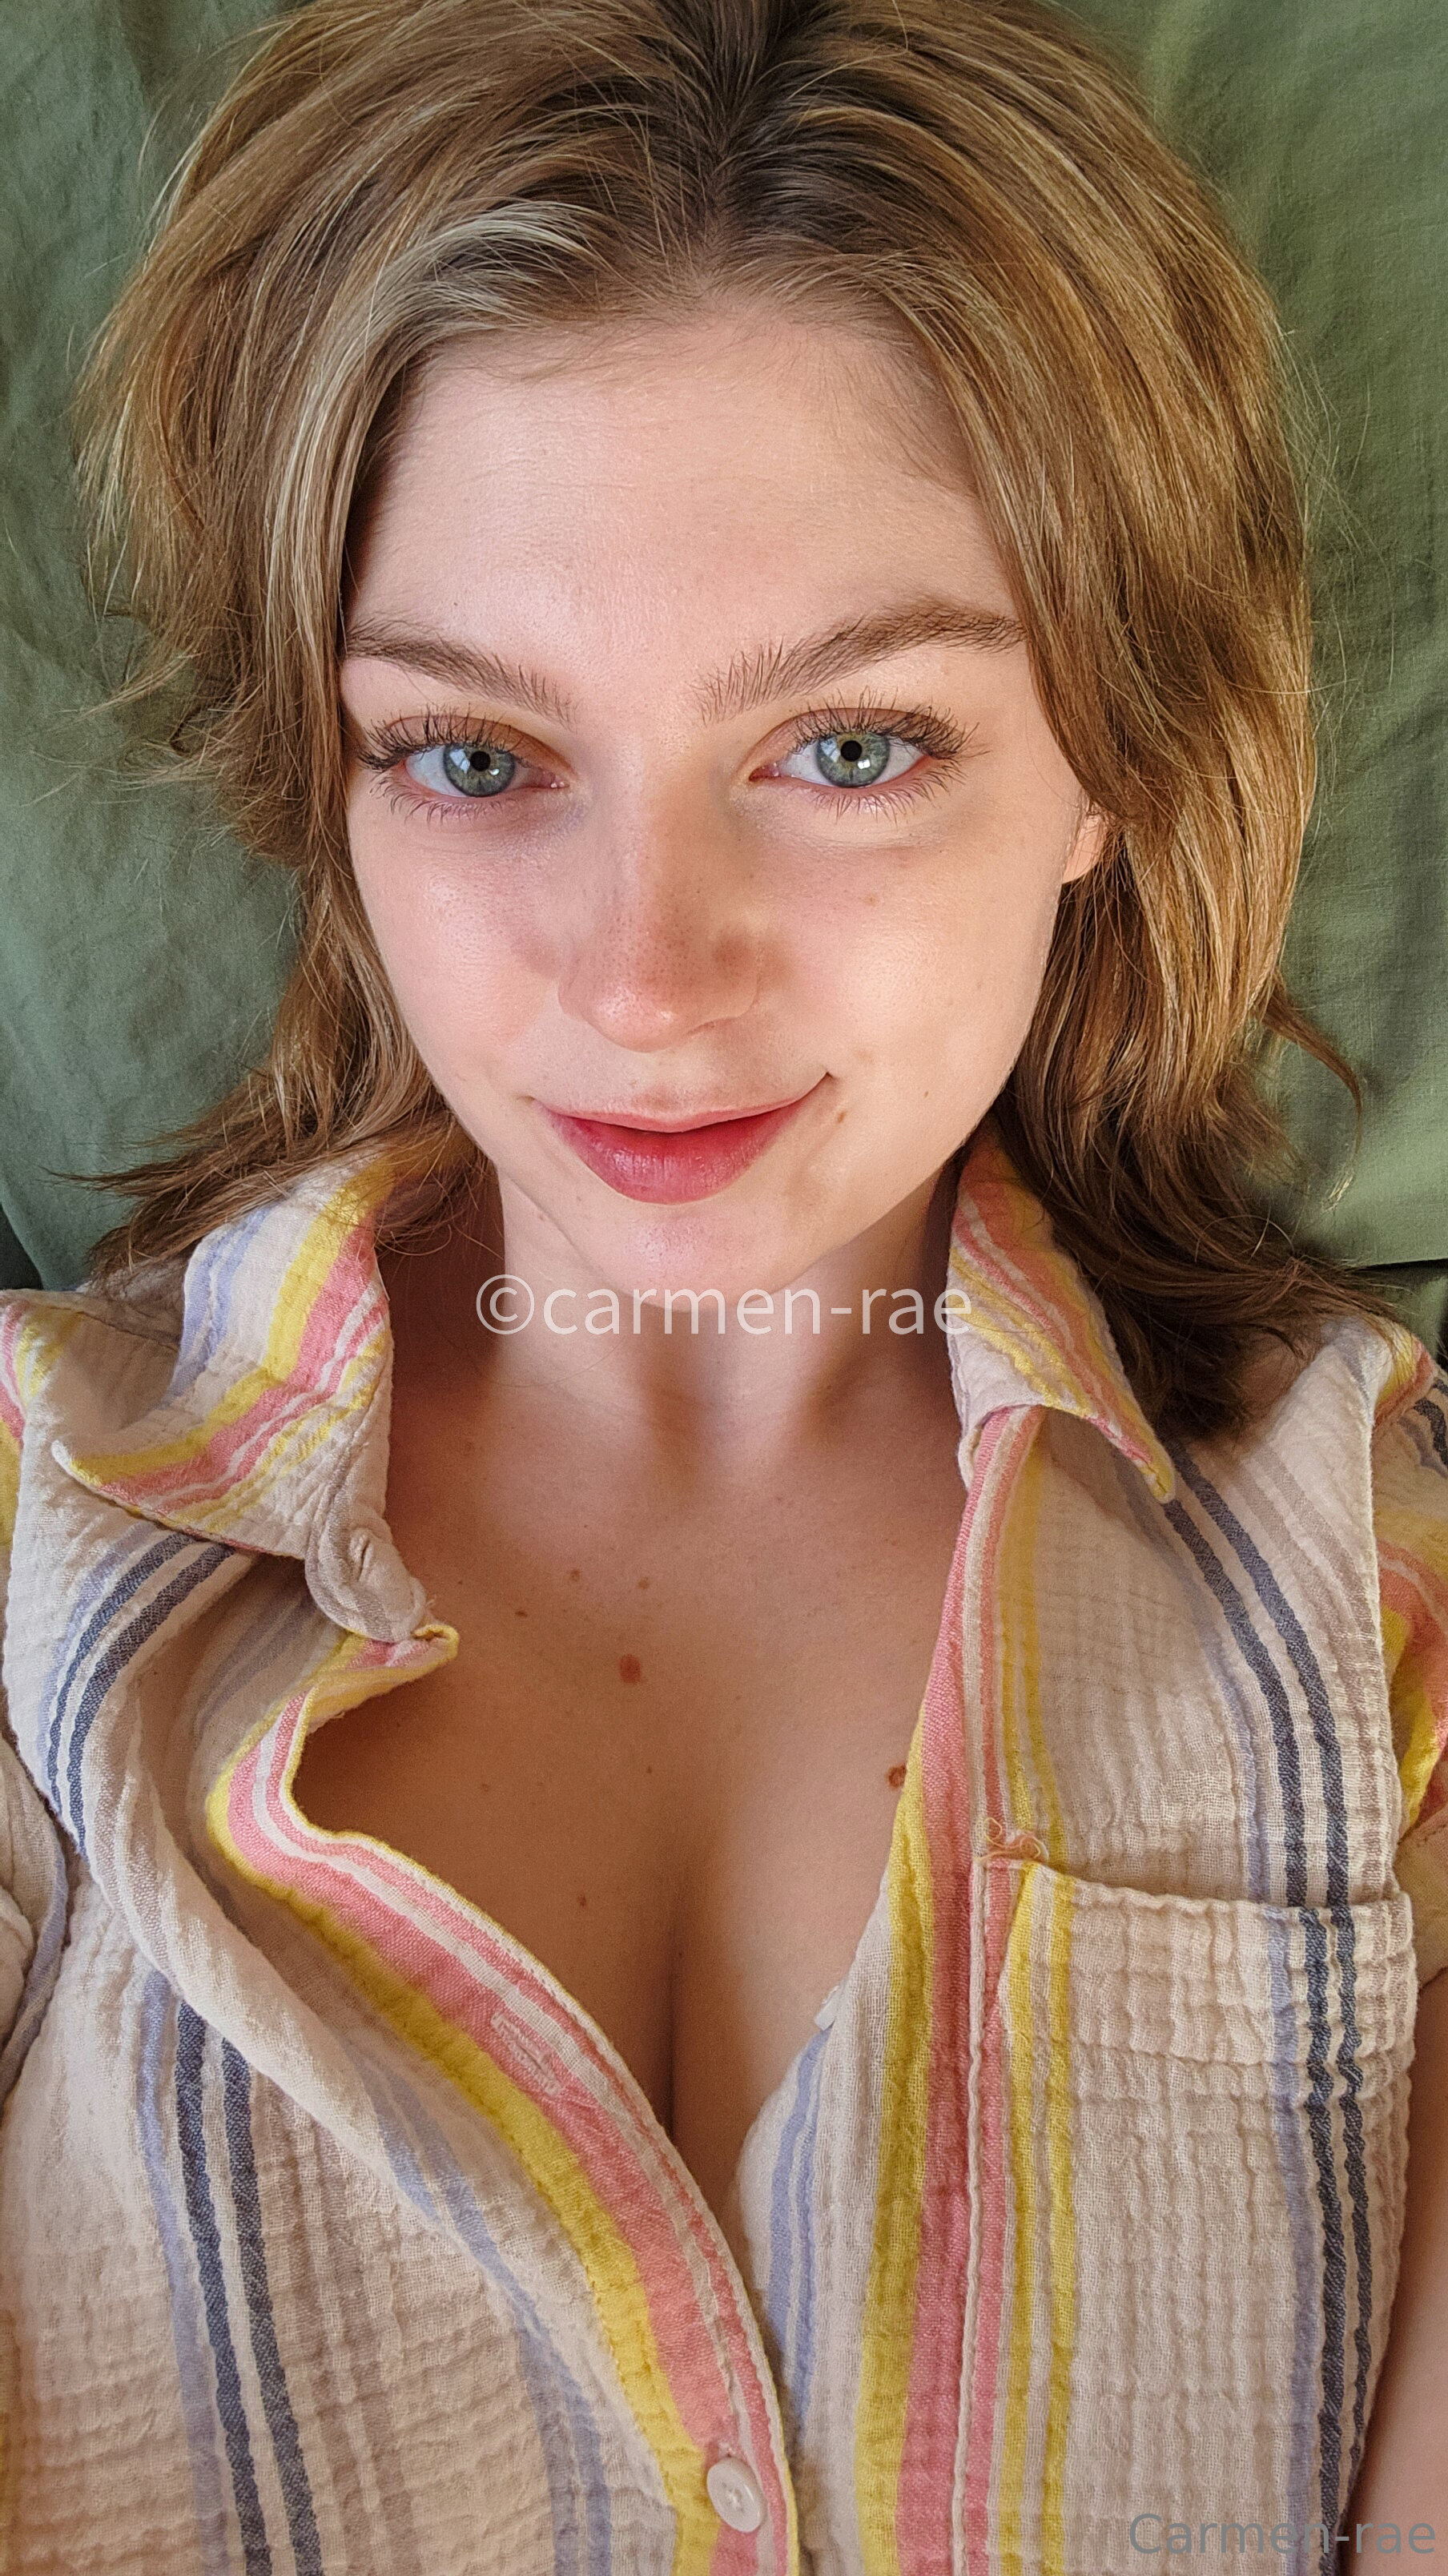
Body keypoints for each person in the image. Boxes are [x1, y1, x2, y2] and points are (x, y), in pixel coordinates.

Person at [0, 0, 1444, 2566]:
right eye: (477, 756)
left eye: (852, 746)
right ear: (333, 782)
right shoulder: (29, 1551)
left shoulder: (1388, 1588)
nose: (647, 979)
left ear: (1116, 758)